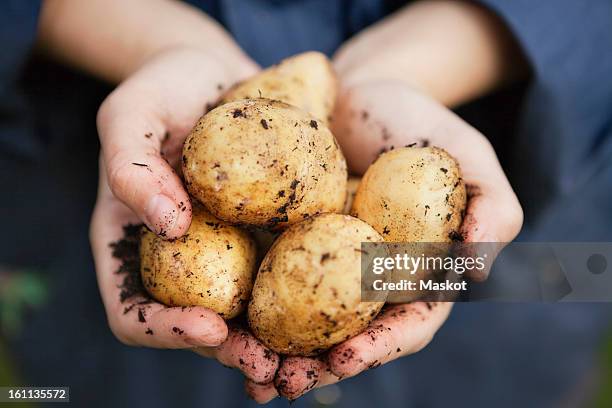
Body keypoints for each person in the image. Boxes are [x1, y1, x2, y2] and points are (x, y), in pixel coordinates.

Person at [1, 0, 611, 406]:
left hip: (529, 253)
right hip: (72, 173)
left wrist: (426, 61)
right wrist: (159, 46)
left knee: (522, 309)